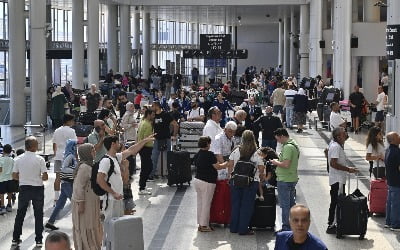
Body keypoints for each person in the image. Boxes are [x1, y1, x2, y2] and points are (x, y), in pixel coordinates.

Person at [12, 136, 48, 247]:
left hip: (24, 188)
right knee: (38, 214)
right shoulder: (40, 159)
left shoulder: (18, 159)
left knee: (20, 214)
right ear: (32, 146)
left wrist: (23, 178)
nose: (38, 145)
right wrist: (37, 177)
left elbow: (14, 175)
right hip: (37, 188)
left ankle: (15, 238)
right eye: (37, 143)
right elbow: (45, 177)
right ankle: (38, 240)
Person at [227, 130, 265, 235]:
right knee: (246, 206)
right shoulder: (256, 153)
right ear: (253, 139)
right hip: (251, 183)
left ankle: (233, 228)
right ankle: (243, 229)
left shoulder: (236, 150)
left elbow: (230, 164)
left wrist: (229, 177)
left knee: (235, 205)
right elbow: (261, 169)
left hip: (236, 181)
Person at [326, 127, 357, 234]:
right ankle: (332, 225)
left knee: (336, 201)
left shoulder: (335, 145)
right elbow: (333, 163)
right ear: (338, 137)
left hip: (337, 178)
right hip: (337, 179)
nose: (346, 135)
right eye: (344, 134)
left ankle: (334, 222)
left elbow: (326, 151)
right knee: (336, 202)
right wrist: (348, 169)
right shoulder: (336, 147)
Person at [72, 143, 102, 250]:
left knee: (91, 223)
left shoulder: (89, 165)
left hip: (90, 200)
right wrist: (81, 203)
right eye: (92, 150)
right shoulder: (84, 167)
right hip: (85, 202)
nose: (94, 152)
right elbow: (78, 186)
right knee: (86, 224)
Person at [193, 136, 226, 232]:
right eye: (209, 143)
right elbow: (217, 167)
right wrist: (226, 164)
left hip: (197, 180)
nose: (210, 145)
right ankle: (204, 226)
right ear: (207, 144)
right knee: (206, 204)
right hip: (207, 182)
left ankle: (200, 223)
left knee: (200, 203)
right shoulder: (209, 155)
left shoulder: (197, 154)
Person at [270, 128, 300, 232]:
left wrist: (275, 162)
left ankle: (286, 227)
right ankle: (294, 224)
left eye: (278, 139)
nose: (278, 141)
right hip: (291, 178)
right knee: (291, 204)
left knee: (285, 205)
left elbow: (286, 164)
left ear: (282, 136)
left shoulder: (287, 147)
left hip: (284, 179)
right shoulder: (294, 145)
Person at [45, 140, 78, 231]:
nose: (76, 148)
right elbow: (64, 168)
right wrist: (75, 170)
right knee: (76, 203)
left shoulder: (70, 156)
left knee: (59, 205)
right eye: (75, 146)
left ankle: (50, 222)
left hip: (66, 183)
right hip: (68, 183)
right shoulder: (70, 156)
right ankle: (78, 224)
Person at [52, 114, 77, 206]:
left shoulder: (57, 130)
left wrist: (55, 154)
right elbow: (74, 144)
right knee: (71, 177)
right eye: (72, 121)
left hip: (58, 156)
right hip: (68, 157)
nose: (73, 122)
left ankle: (56, 198)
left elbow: (54, 144)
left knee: (58, 177)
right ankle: (72, 197)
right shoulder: (72, 131)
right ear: (69, 121)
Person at [150, 101, 179, 179]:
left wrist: (174, 135)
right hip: (157, 139)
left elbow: (175, 124)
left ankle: (171, 174)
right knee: (154, 157)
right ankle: (152, 174)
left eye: (152, 106)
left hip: (166, 139)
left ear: (157, 106)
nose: (151, 107)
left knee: (169, 157)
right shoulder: (153, 115)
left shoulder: (166, 115)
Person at [384, 132, 400, 231]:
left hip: (390, 180)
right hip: (397, 181)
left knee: (390, 202)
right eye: (397, 136)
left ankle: (388, 222)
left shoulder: (388, 150)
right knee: (396, 203)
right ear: (393, 139)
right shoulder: (397, 152)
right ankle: (395, 224)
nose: (399, 137)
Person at [137, 108, 155, 194]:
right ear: (149, 114)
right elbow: (145, 139)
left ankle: (142, 185)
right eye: (152, 115)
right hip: (145, 148)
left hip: (142, 148)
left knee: (146, 167)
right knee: (146, 167)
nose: (153, 116)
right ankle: (142, 187)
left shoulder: (142, 122)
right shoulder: (147, 125)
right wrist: (152, 138)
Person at [0, 144, 17, 214]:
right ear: (10, 151)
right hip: (10, 179)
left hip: (2, 179)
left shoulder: (1, 159)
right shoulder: (12, 160)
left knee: (1, 193)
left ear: (3, 151)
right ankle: (9, 205)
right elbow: (14, 170)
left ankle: (2, 207)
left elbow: (0, 170)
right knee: (10, 192)